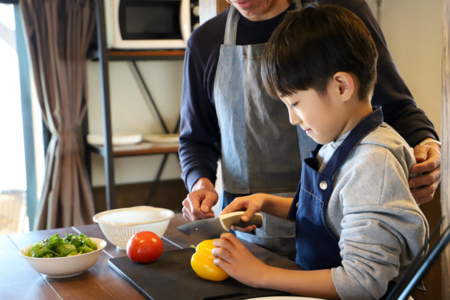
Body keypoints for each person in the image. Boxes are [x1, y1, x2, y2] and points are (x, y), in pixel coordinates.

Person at [179, 0, 440, 258]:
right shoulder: (205, 42)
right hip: (251, 241)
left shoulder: (338, 18)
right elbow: (195, 139)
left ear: (341, 86)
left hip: (340, 245)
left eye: (295, 103)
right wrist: (199, 183)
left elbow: (396, 107)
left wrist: (427, 147)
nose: (293, 118)